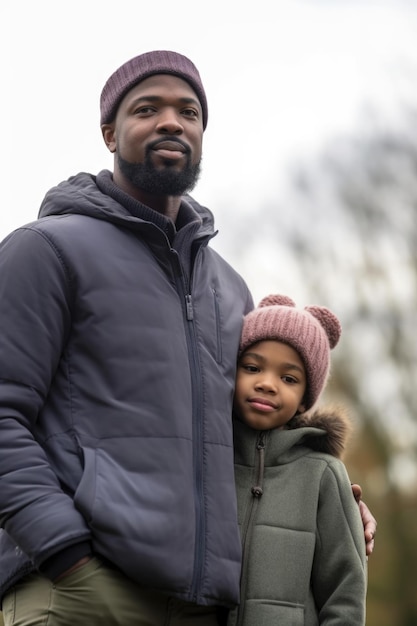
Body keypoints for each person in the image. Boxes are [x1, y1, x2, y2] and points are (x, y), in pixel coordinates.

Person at [0, 51, 375, 626]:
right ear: (110, 133)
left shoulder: (229, 288)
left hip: (203, 609)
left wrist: (327, 501)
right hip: (78, 593)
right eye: (147, 108)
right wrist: (64, 551)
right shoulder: (46, 250)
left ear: (201, 134)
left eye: (189, 111)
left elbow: (246, 437)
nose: (172, 122)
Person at [227, 294, 367, 625]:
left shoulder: (323, 474)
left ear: (305, 399)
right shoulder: (208, 457)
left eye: (288, 378)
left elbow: (345, 591)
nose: (266, 383)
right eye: (252, 367)